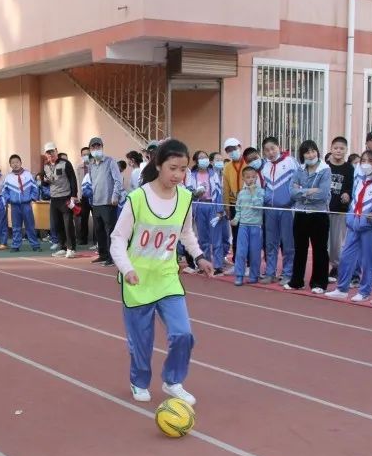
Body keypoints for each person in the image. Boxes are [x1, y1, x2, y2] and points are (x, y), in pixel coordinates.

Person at [109, 138, 212, 406]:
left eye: (183, 169)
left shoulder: (186, 198)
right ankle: (139, 381)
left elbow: (186, 232)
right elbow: (118, 238)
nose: (178, 175)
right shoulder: (138, 198)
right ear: (158, 165)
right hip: (137, 278)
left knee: (183, 334)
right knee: (141, 342)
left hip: (167, 276)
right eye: (173, 168)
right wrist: (127, 268)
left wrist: (199, 256)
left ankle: (173, 380)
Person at [325, 150, 372, 302]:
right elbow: (354, 201)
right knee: (345, 257)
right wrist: (351, 219)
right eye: (363, 160)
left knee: (368, 261)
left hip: (369, 228)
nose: (366, 164)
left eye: (370, 161)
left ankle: (364, 291)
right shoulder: (360, 180)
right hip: (354, 225)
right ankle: (342, 288)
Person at [286, 140, 331, 293]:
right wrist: (309, 191)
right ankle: (297, 281)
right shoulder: (299, 169)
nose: (311, 155)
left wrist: (301, 191)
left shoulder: (325, 170)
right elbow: (291, 191)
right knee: (299, 249)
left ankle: (319, 283)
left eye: (313, 151)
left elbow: (323, 194)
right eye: (307, 152)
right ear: (302, 155)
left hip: (319, 215)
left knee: (320, 249)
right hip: (300, 214)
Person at [259, 137, 298, 285]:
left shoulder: (290, 162)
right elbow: (263, 188)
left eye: (273, 148)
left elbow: (298, 183)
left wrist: (292, 200)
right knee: (270, 243)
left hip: (287, 209)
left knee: (288, 243)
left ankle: (288, 273)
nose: (270, 152)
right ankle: (270, 272)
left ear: (278, 147)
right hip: (270, 210)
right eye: (267, 150)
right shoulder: (265, 166)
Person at [88, 136, 125, 266]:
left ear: (102, 147)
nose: (96, 149)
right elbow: (92, 181)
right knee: (99, 231)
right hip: (96, 202)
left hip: (109, 202)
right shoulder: (91, 164)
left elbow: (118, 180)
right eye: (93, 147)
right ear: (90, 149)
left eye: (98, 146)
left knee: (110, 231)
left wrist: (115, 196)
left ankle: (112, 257)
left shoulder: (110, 161)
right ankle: (103, 254)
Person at [41, 142, 79, 258]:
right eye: (48, 152)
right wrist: (45, 180)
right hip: (54, 198)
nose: (50, 154)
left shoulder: (65, 163)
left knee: (68, 224)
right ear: (45, 154)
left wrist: (73, 195)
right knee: (57, 224)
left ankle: (71, 248)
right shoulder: (46, 165)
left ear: (56, 151)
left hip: (66, 197)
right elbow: (44, 181)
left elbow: (73, 179)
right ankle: (63, 247)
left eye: (52, 151)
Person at [325, 136, 353, 282]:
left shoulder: (349, 168)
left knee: (336, 243)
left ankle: (336, 267)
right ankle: (323, 266)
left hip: (339, 210)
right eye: (336, 148)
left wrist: (348, 194)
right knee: (323, 241)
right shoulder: (324, 166)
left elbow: (350, 186)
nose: (338, 151)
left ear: (346, 150)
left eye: (342, 148)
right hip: (323, 209)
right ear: (331, 149)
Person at [231, 166, 264, 286]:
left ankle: (254, 275)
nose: (250, 179)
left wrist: (253, 192)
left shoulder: (260, 191)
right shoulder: (241, 193)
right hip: (243, 226)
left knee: (255, 252)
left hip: (256, 226)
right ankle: (239, 275)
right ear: (243, 178)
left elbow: (258, 206)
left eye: (253, 177)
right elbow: (238, 209)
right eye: (248, 177)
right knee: (241, 251)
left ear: (256, 178)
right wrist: (236, 219)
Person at [3, 154, 40, 252]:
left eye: (17, 162)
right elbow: (4, 191)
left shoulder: (28, 175)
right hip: (15, 206)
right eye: (13, 163)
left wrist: (32, 197)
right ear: (10, 165)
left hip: (26, 205)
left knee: (30, 225)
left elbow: (35, 188)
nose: (15, 164)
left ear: (21, 163)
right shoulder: (8, 177)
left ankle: (35, 245)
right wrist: (9, 199)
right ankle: (15, 245)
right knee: (16, 226)